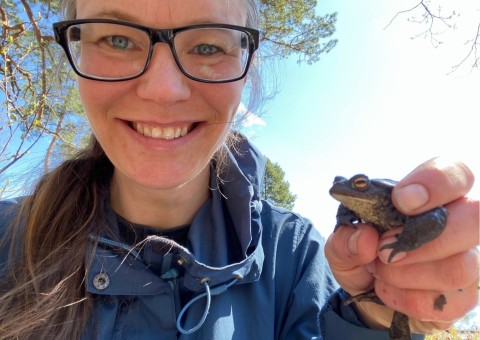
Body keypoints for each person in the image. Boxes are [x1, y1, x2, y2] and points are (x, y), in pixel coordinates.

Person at [0, 0, 478, 339]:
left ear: (247, 68)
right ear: (76, 52)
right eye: (118, 38)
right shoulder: (7, 240)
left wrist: (378, 314)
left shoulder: (298, 256)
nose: (163, 91)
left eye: (207, 46)